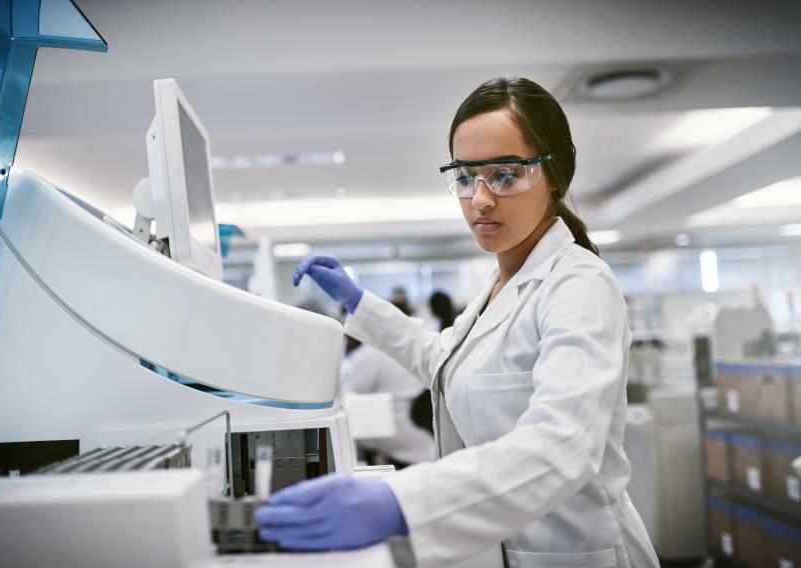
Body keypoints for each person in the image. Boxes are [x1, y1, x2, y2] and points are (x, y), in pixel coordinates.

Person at [255, 77, 658, 568]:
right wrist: (360, 303)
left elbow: (564, 444)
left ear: (556, 175)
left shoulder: (579, 286)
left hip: (571, 553)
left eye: (505, 174)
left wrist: (401, 504)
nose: (480, 199)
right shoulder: (498, 285)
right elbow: (441, 361)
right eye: (465, 177)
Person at [343, 334, 435, 469]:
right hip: (416, 430)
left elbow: (350, 392)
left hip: (397, 428)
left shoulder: (368, 354)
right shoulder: (387, 346)